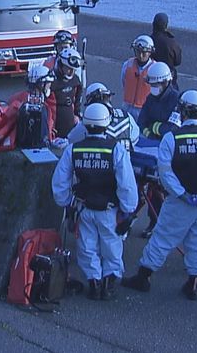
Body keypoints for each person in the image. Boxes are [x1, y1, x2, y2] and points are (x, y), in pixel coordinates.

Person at [122, 90, 197, 300]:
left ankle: (143, 277)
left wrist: (182, 194)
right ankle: (194, 283)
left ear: (181, 112)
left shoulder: (171, 140)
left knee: (163, 238)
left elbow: (165, 173)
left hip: (179, 202)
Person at [53, 103, 139, 300]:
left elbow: (60, 182)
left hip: (84, 208)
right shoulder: (116, 150)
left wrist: (66, 203)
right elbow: (126, 184)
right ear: (107, 124)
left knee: (87, 246)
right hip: (109, 209)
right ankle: (108, 283)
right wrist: (127, 210)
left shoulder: (73, 149)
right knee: (111, 246)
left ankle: (93, 282)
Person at [137, 61, 181, 138]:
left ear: (165, 83)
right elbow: (141, 122)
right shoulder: (150, 98)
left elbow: (171, 128)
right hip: (151, 143)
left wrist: (153, 126)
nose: (152, 87)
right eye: (151, 84)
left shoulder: (177, 100)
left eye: (155, 84)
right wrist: (149, 135)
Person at [51, 46, 84, 137]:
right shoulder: (51, 81)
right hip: (54, 124)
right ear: (61, 65)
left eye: (73, 69)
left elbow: (77, 100)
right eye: (68, 68)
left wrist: (77, 115)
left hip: (70, 123)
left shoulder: (75, 80)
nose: (71, 72)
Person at [121, 35, 154, 121]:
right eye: (138, 51)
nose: (141, 55)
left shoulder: (154, 69)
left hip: (144, 109)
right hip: (127, 106)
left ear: (150, 52)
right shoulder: (127, 64)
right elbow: (123, 82)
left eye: (144, 52)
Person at [150, 12, 182, 77]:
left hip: (150, 75)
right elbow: (178, 61)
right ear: (166, 26)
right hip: (168, 77)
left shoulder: (149, 41)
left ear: (153, 24)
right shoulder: (172, 43)